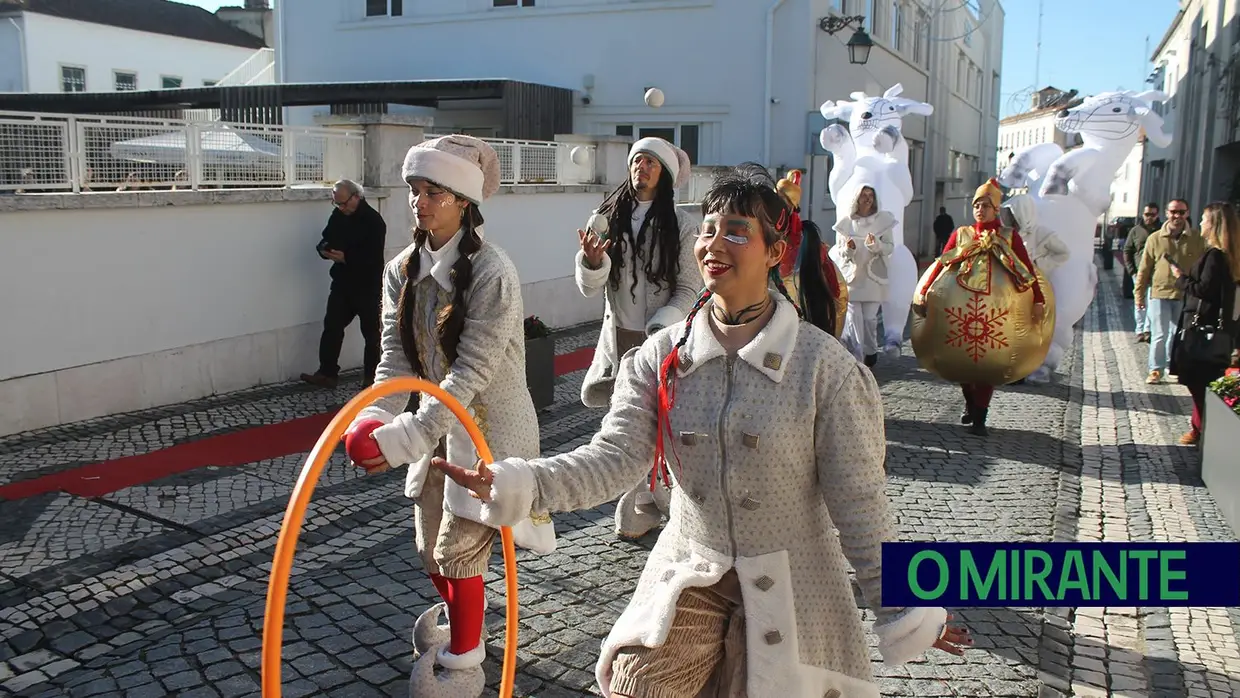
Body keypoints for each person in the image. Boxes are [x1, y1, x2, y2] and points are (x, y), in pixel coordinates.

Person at [434, 164, 971, 698]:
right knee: (635, 687)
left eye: (738, 231)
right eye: (709, 229)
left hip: (797, 582)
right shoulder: (659, 358)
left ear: (775, 252)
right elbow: (615, 457)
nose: (715, 242)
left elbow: (860, 503)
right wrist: (522, 482)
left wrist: (905, 607)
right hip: (692, 566)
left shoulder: (824, 369)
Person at [339, 136, 555, 696]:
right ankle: (463, 623)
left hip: (491, 433)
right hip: (435, 433)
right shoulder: (401, 270)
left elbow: (471, 375)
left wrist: (406, 434)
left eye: (434, 191)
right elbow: (393, 358)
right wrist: (371, 417)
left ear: (464, 201)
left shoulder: (492, 271)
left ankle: (465, 659)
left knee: (456, 550)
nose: (420, 201)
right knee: (426, 546)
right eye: (415, 189)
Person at [576, 136, 702, 540]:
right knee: (629, 428)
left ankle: (660, 509)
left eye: (650, 162)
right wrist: (591, 263)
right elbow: (590, 289)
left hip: (663, 342)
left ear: (664, 173)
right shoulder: (606, 217)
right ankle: (645, 507)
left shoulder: (683, 225)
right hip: (619, 342)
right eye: (637, 160)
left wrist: (661, 328)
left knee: (665, 427)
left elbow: (690, 288)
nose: (641, 167)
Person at [913, 178, 1045, 436]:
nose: (980, 210)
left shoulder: (1008, 237)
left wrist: (1038, 299)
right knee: (962, 361)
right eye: (976, 205)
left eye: (985, 205)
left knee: (987, 364)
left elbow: (1027, 270)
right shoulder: (961, 234)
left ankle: (980, 416)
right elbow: (940, 264)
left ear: (996, 209)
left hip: (999, 313)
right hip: (958, 310)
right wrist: (925, 290)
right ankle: (970, 402)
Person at [301, 179, 387, 389]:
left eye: (344, 203)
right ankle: (327, 373)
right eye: (337, 204)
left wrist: (346, 257)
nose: (341, 208)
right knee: (332, 326)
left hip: (368, 286)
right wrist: (324, 249)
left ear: (356, 197)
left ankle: (372, 379)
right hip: (342, 283)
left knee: (372, 334)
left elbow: (373, 258)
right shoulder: (338, 215)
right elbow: (326, 238)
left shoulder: (374, 221)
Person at [1169, 201, 1240, 445]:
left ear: (1214, 224)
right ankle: (1200, 429)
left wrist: (1181, 278)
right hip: (1217, 329)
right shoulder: (1230, 256)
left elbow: (1204, 289)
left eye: (1203, 219)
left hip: (1202, 329)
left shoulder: (1215, 256)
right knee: (1202, 381)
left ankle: (1202, 431)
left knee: (1197, 381)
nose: (1199, 223)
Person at [1135, 198, 1206, 384]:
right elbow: (1144, 269)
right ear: (1167, 213)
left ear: (1187, 213)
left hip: (1185, 295)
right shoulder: (1155, 238)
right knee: (1159, 333)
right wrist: (1139, 295)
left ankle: (1171, 366)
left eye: (1181, 212)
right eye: (1174, 212)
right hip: (1159, 293)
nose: (1177, 216)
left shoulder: (1197, 239)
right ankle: (1155, 370)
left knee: (1177, 335)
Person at [831, 184, 895, 367]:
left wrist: (876, 246)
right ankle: (857, 358)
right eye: (863, 195)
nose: (867, 199)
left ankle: (871, 351)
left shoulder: (884, 220)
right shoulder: (846, 222)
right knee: (853, 319)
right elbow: (841, 251)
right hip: (852, 277)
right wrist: (849, 249)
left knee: (870, 319)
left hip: (874, 278)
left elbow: (889, 247)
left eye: (870, 195)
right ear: (856, 199)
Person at [1124, 202, 1161, 343]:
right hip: (1139, 273)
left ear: (1157, 215)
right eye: (1146, 214)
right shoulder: (1135, 231)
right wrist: (1132, 271)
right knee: (1139, 302)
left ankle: (1148, 330)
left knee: (1152, 303)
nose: (1149, 217)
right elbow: (1127, 250)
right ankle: (1139, 330)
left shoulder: (1162, 229)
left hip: (1156, 274)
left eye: (1152, 214)